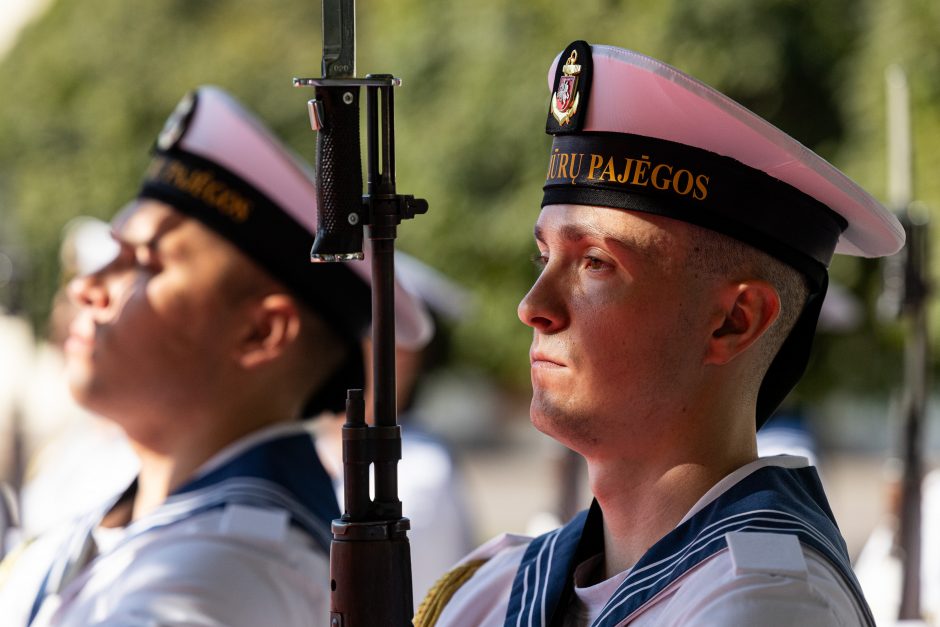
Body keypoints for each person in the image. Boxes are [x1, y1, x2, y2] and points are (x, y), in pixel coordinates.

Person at [415, 42, 904, 627]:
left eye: (596, 262)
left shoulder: (767, 605)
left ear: (733, 321)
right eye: (542, 257)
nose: (533, 307)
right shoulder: (494, 588)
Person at [0, 85, 431, 627]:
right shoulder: (121, 520)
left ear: (261, 333)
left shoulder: (231, 575)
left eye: (145, 264)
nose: (89, 286)